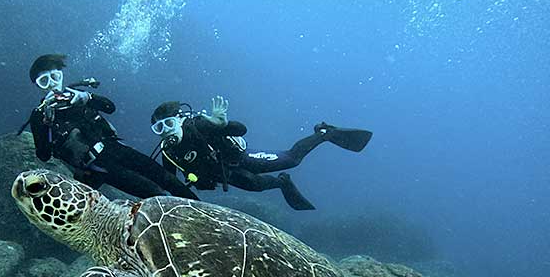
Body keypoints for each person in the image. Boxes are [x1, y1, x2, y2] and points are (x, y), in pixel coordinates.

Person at [26, 54, 198, 200]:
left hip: (116, 147)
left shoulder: (78, 96)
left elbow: (110, 107)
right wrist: (44, 123)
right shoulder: (39, 115)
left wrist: (87, 97)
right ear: (37, 85)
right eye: (44, 81)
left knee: (167, 178)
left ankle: (205, 212)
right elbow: (43, 155)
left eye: (55, 76)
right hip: (97, 165)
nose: (51, 84)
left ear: (62, 75)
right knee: (153, 191)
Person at [150, 96, 373, 210]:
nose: (165, 132)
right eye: (158, 129)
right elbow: (170, 180)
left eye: (168, 124)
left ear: (180, 119)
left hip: (242, 158)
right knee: (256, 186)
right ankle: (282, 183)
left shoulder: (199, 125)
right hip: (224, 174)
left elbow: (240, 129)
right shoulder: (168, 151)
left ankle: (324, 132)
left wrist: (221, 124)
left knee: (292, 159)